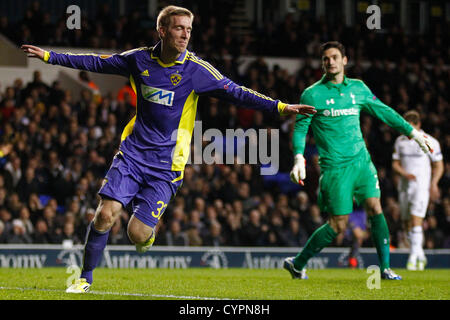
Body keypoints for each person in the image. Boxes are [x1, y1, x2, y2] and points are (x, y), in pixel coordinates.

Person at [22, 5, 315, 293]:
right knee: (104, 214)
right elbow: (97, 62)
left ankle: (145, 232)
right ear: (162, 31)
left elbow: (236, 92)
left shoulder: (196, 70)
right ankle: (85, 278)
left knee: (137, 234)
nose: (185, 35)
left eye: (189, 30)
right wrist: (49, 55)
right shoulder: (138, 60)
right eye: (179, 28)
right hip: (133, 154)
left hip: (167, 165)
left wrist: (280, 106)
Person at [284, 41, 433, 281]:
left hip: (362, 162)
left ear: (345, 60)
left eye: (334, 57)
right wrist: (299, 157)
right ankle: (298, 263)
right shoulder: (312, 94)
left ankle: (385, 268)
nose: (330, 61)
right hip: (335, 168)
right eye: (325, 58)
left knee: (375, 208)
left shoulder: (358, 88)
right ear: (322, 64)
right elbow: (300, 129)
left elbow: (384, 111)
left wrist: (412, 133)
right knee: (338, 225)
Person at [392, 110, 444, 270]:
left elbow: (438, 165)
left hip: (421, 186)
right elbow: (394, 164)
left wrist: (434, 183)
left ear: (418, 125)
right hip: (404, 187)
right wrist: (404, 174)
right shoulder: (400, 141)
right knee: (407, 223)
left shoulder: (430, 141)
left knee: (416, 219)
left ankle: (413, 259)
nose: (408, 132)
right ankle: (419, 253)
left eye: (411, 128)